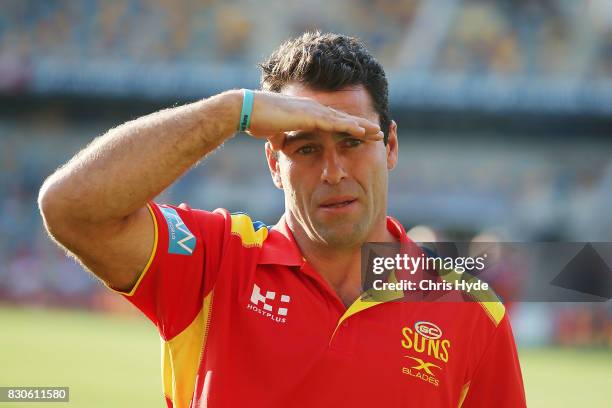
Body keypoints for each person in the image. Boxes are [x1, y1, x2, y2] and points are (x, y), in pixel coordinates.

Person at [38, 32, 526, 408]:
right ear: (274, 163)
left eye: (353, 142)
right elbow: (70, 208)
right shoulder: (216, 259)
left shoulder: (472, 313)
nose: (333, 172)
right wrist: (233, 111)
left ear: (390, 146)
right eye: (306, 148)